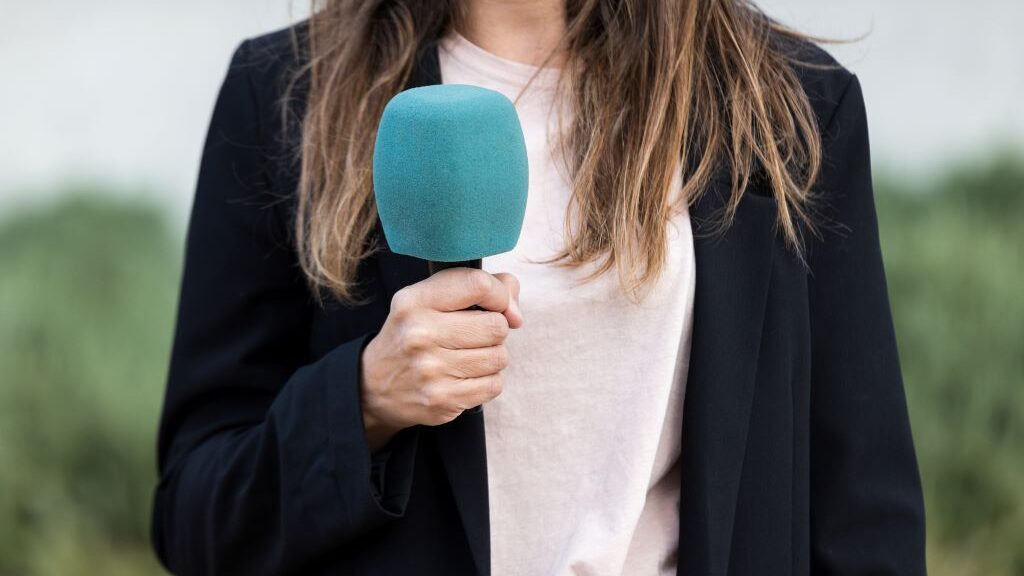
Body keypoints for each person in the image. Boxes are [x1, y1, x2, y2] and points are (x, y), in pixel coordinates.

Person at [151, 1, 926, 575]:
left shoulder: (783, 102)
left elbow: (864, 514)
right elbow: (196, 518)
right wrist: (361, 404)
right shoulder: (286, 96)